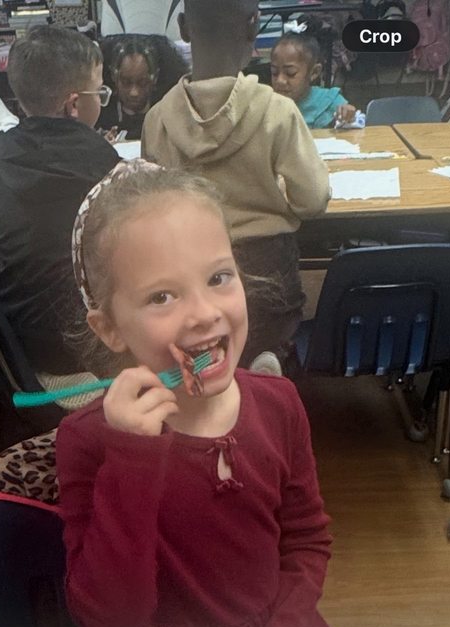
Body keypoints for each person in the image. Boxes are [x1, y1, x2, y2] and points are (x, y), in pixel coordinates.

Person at [56, 159, 363, 627]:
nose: (203, 313)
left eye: (219, 278)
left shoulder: (279, 404)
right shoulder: (88, 440)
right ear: (109, 328)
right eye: (161, 297)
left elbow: (307, 540)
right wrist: (131, 458)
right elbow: (109, 621)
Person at [141, 0, 330, 373]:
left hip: (194, 272)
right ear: (254, 25)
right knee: (273, 326)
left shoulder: (158, 119)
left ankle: (211, 368)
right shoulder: (277, 111)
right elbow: (314, 201)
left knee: (204, 341)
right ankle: (271, 353)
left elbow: (153, 207)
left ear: (182, 27)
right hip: (269, 275)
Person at [0, 26, 120, 379]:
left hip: (17, 356)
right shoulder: (107, 164)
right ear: (75, 104)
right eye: (100, 91)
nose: (102, 100)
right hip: (97, 352)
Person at [97, 34, 187, 140]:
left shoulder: (168, 112)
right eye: (126, 82)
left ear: (155, 78)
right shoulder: (100, 114)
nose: (134, 92)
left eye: (143, 83)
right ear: (114, 77)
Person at [271, 32, 356, 129]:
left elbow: (354, 129)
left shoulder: (328, 101)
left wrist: (348, 116)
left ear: (314, 72)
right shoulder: (267, 103)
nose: (280, 80)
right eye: (274, 73)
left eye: (290, 73)